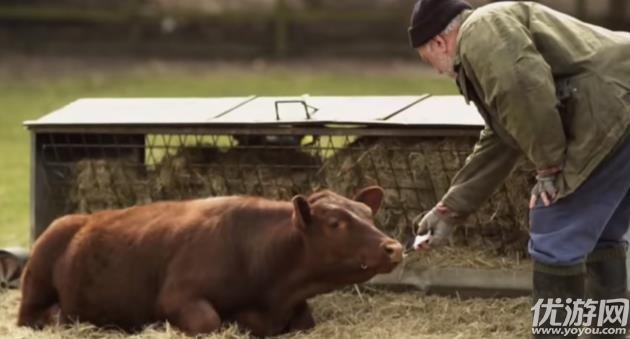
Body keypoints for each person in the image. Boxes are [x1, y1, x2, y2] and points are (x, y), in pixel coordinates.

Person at [408, 0, 630, 337]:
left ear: (440, 42)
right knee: (603, 232)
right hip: (620, 103)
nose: (438, 71)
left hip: (613, 108)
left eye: (429, 60)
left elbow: (522, 90)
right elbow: (504, 134)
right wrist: (450, 209)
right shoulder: (493, 31)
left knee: (553, 227)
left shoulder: (482, 30)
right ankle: (609, 332)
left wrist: (549, 167)